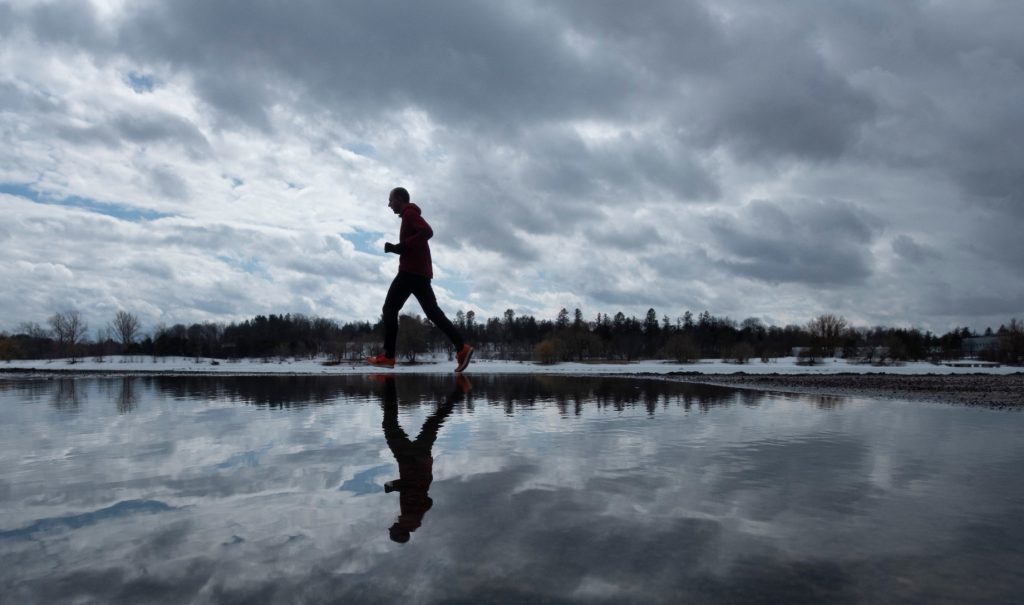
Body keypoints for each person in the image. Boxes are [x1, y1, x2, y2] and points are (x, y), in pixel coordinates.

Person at [368, 187, 473, 372]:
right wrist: (398, 248)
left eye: (390, 200)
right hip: (421, 273)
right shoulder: (409, 215)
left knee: (389, 309)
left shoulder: (409, 213)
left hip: (410, 271)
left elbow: (427, 231)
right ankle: (461, 347)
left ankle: (389, 356)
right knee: (432, 312)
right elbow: (416, 241)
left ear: (400, 199)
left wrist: (402, 246)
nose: (389, 205)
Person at [378, 374, 472, 543]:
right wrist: (394, 485)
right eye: (392, 529)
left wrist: (402, 486)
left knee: (432, 424)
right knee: (390, 425)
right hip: (409, 459)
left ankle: (460, 391)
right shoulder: (410, 516)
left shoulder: (415, 517)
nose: (390, 526)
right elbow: (414, 487)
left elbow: (428, 501)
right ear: (400, 530)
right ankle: (389, 381)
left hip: (422, 459)